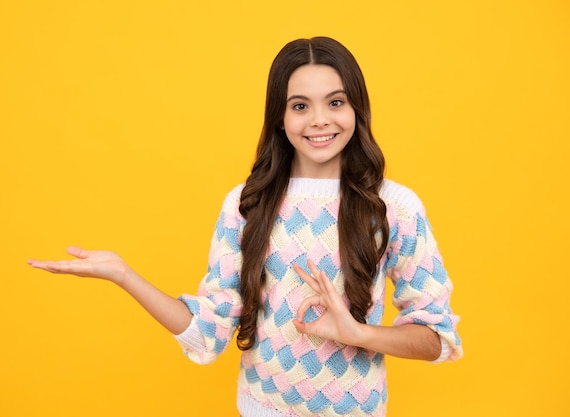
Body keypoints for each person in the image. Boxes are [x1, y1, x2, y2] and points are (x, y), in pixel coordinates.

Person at [28, 36, 463, 416]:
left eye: (335, 102)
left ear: (357, 108)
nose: (319, 120)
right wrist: (123, 274)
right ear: (279, 116)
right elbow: (207, 333)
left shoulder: (395, 207)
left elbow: (436, 338)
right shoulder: (246, 204)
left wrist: (359, 333)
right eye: (299, 106)